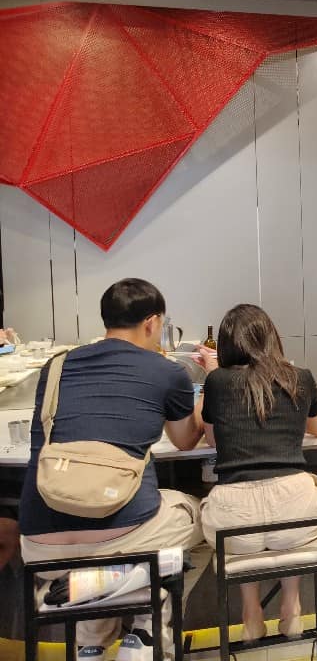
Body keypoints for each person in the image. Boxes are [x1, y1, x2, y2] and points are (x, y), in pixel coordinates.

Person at [18, 278, 209, 661]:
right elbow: (186, 440)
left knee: (109, 554)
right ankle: (147, 625)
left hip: (40, 546)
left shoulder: (54, 367)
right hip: (122, 535)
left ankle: (91, 641)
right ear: (152, 322)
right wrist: (206, 396)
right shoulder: (166, 370)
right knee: (203, 522)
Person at [196, 304, 317, 642]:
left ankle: (251, 613)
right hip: (295, 514)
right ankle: (292, 606)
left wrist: (210, 376)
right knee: (295, 516)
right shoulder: (299, 377)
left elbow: (210, 438)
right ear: (272, 338)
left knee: (243, 530)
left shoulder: (217, 382)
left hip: (236, 522)